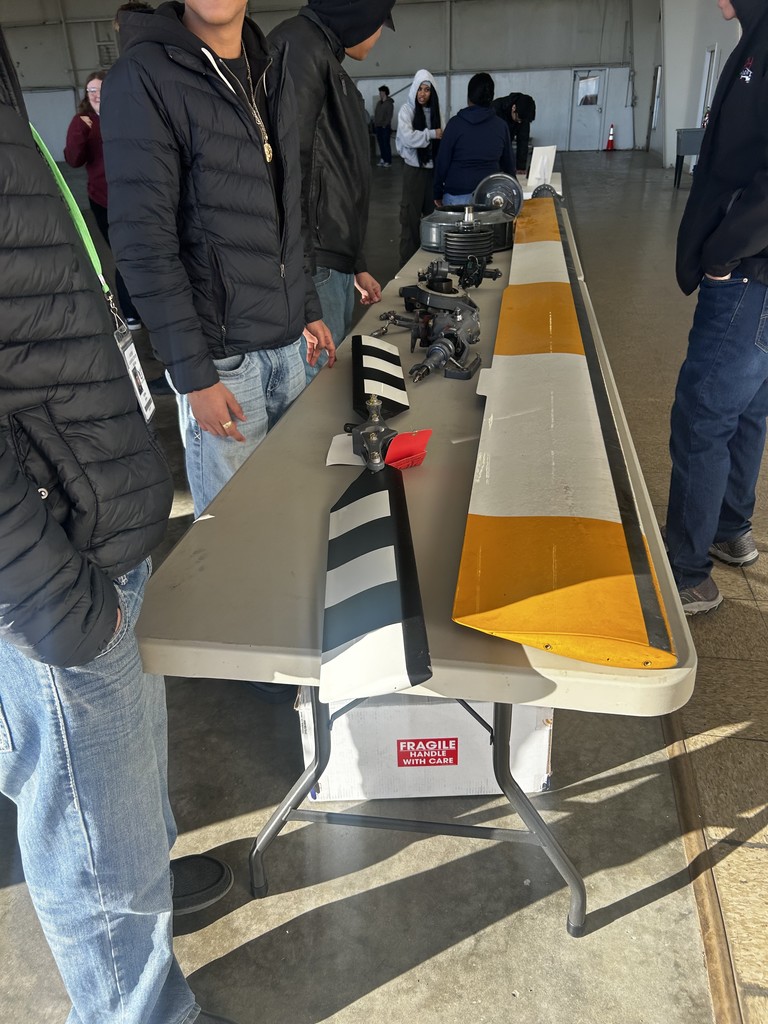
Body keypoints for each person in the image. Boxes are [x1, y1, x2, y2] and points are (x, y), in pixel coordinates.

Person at [0, 29, 237, 1024]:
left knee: (125, 812)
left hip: (95, 505)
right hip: (56, 553)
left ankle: (151, 917)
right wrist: (49, 591)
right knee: (96, 849)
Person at [101, 0, 334, 519]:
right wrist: (194, 376)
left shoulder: (269, 65)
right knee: (236, 531)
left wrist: (307, 304)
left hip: (290, 346)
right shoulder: (143, 78)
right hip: (224, 366)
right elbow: (144, 242)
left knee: (297, 509)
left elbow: (287, 204)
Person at [667, 0, 768, 614]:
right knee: (749, 408)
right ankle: (731, 527)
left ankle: (686, 573)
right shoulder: (753, 37)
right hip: (756, 271)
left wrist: (723, 253)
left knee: (703, 415)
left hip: (748, 272)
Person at [268, 0, 393, 383]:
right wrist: (305, 287)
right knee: (321, 387)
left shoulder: (316, 49)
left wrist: (355, 262)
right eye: (379, 23)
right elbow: (292, 174)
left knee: (328, 380)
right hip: (314, 264)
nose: (378, 35)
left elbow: (334, 169)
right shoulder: (301, 50)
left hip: (326, 258)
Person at [63, 70, 141, 330]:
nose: (96, 95)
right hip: (104, 201)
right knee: (123, 255)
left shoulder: (127, 115)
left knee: (145, 251)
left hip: (136, 198)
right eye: (91, 91)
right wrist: (81, 133)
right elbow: (74, 159)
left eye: (101, 89)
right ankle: (131, 313)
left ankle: (149, 305)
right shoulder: (83, 122)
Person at [433, 72, 515, 207]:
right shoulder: (501, 126)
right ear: (491, 97)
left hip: (457, 196)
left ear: (469, 97)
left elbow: (442, 162)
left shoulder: (455, 124)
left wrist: (437, 193)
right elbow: (509, 165)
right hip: (490, 198)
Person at [396, 69, 442, 266]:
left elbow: (443, 137)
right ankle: (407, 262)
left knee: (432, 216)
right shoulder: (407, 111)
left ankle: (431, 261)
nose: (423, 94)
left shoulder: (436, 113)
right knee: (410, 218)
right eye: (420, 89)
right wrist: (431, 134)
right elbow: (407, 138)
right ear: (414, 90)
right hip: (413, 171)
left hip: (432, 172)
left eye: (427, 90)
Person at [492, 91, 536, 175]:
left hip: (507, 145)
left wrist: (521, 167)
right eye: (518, 119)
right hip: (493, 144)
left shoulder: (523, 115)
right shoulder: (496, 109)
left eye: (521, 121)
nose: (519, 122)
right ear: (513, 108)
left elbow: (523, 140)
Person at [374, 84, 394, 166]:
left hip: (385, 127)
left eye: (381, 92)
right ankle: (383, 159)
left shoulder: (389, 103)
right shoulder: (379, 103)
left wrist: (385, 124)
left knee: (386, 144)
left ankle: (388, 161)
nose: (380, 94)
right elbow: (376, 114)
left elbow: (389, 115)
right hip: (378, 127)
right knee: (381, 144)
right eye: (379, 92)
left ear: (385, 93)